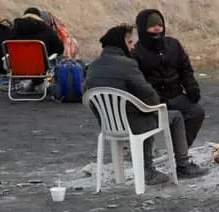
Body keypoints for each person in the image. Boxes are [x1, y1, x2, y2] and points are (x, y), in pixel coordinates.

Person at [84, 24, 210, 185]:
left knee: (144, 113)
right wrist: (150, 106)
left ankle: (135, 170)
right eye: (129, 42)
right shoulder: (127, 65)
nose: (132, 46)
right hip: (134, 124)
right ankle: (177, 166)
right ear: (121, 43)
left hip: (108, 126)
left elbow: (89, 95)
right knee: (174, 116)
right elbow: (150, 96)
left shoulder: (93, 67)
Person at [132, 9, 205, 147]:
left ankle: (180, 150)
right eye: (152, 25)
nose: (157, 28)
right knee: (167, 118)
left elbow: (185, 69)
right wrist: (153, 98)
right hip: (154, 100)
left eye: (159, 25)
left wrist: (192, 88)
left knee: (196, 113)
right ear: (143, 28)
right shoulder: (137, 52)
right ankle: (154, 157)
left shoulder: (173, 45)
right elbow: (138, 81)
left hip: (176, 94)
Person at [9, 7, 66, 91]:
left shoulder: (13, 29)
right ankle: (46, 81)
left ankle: (31, 83)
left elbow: (5, 48)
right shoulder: (46, 29)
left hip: (17, 68)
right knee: (54, 62)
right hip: (40, 68)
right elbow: (60, 49)